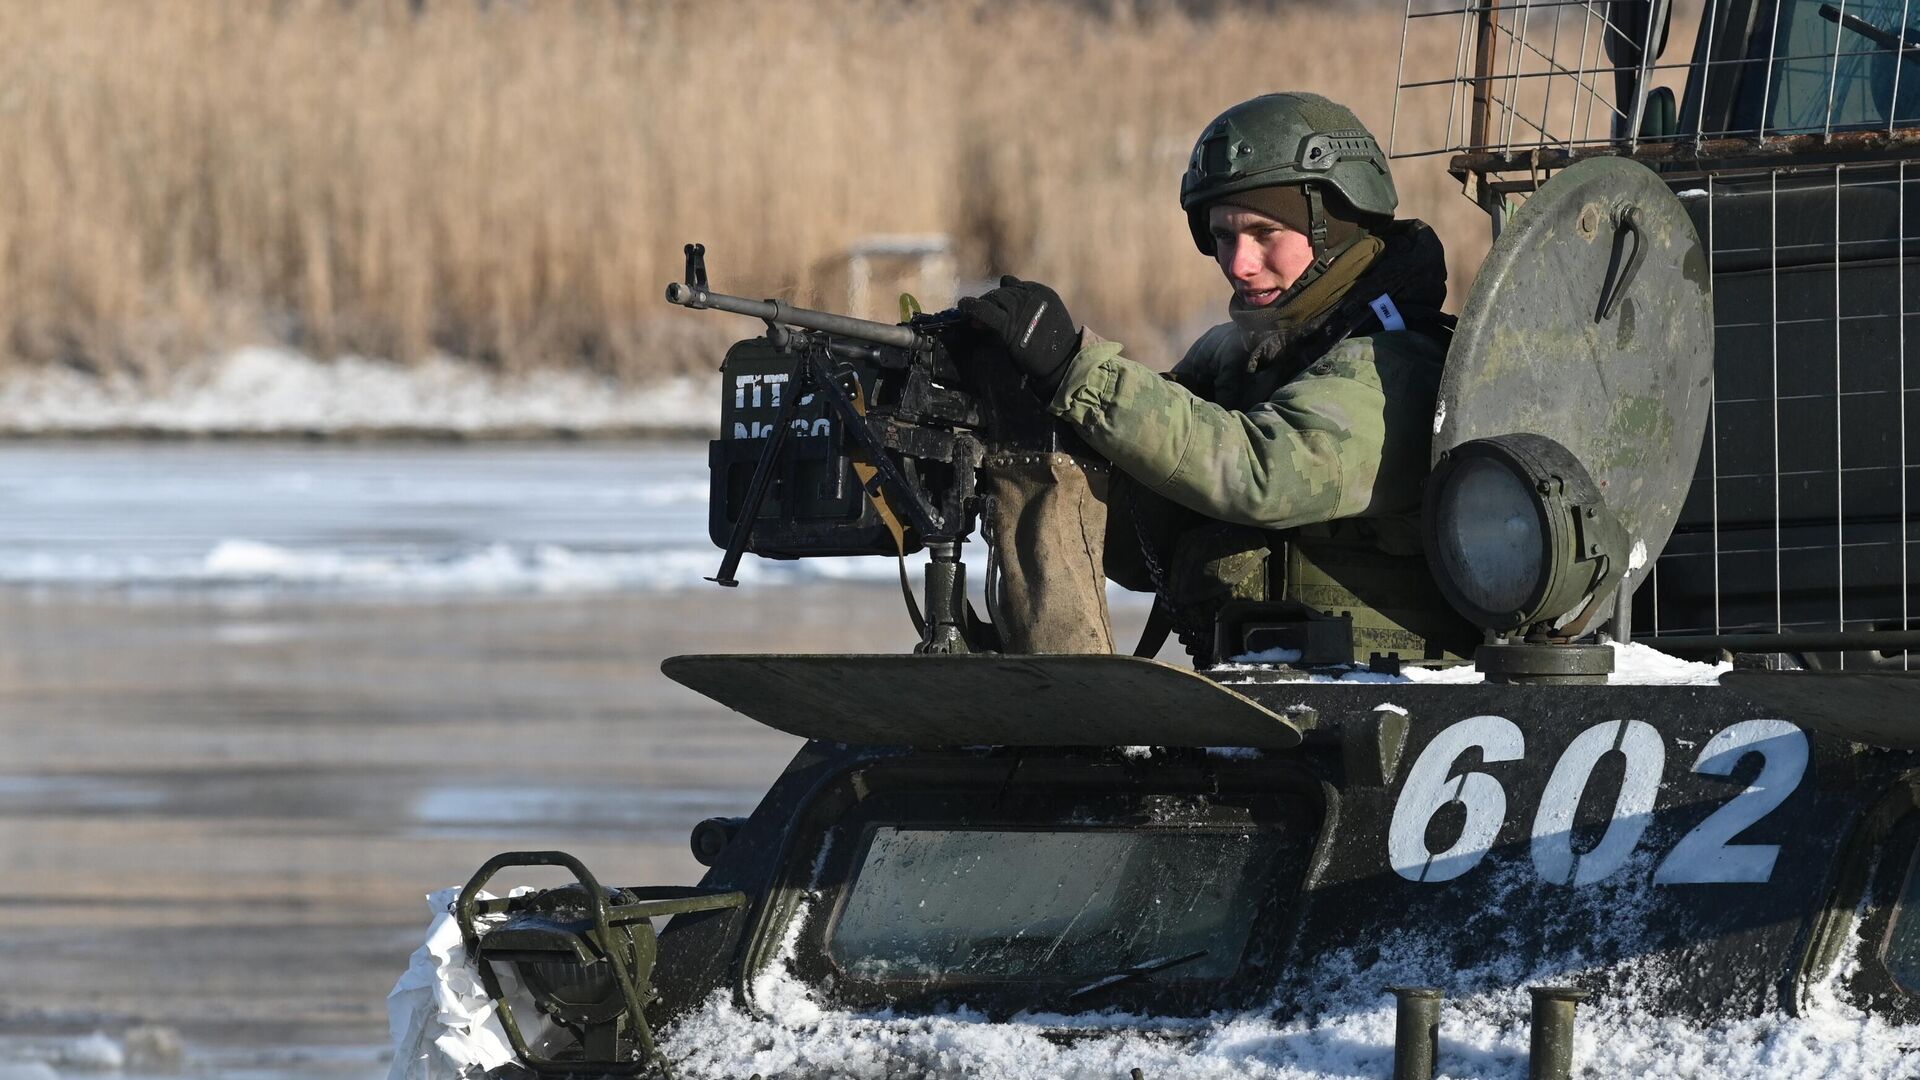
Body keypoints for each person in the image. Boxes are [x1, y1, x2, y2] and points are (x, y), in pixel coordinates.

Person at [961, 91, 1478, 665]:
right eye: (1224, 237)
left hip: (1394, 701)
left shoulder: (1397, 365)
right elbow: (1150, 522)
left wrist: (1077, 370)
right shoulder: (1242, 356)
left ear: (1334, 225)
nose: (1239, 265)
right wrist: (1020, 399)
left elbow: (1261, 472)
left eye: (1263, 233)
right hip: (1263, 687)